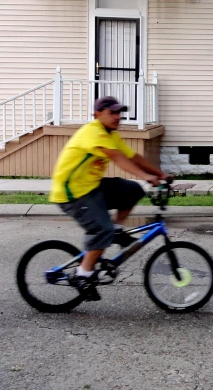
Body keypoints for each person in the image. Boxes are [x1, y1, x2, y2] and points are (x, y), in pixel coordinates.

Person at [49, 96, 172, 301]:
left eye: (119, 112)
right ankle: (83, 274)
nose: (117, 117)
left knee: (132, 190)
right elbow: (117, 157)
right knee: (101, 230)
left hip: (92, 187)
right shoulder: (92, 132)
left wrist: (159, 174)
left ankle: (116, 230)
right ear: (97, 114)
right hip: (72, 193)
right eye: (112, 112)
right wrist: (146, 177)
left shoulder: (110, 135)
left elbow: (133, 157)